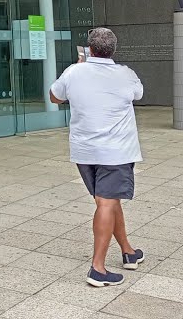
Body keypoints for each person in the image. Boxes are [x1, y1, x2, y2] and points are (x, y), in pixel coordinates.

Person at [49, 27, 144, 288]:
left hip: (85, 151)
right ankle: (98, 268)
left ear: (89, 49)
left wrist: (79, 69)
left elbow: (55, 97)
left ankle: (128, 251)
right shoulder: (126, 74)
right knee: (107, 202)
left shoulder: (73, 72)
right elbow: (138, 94)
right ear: (113, 50)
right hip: (116, 151)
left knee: (108, 201)